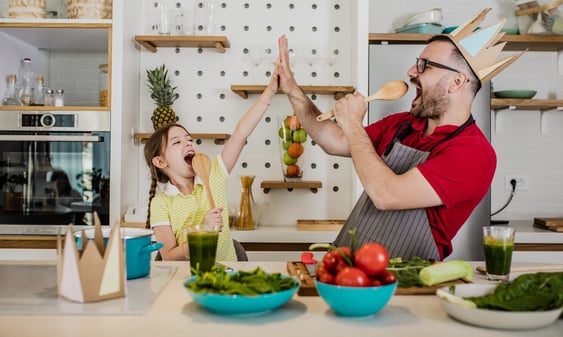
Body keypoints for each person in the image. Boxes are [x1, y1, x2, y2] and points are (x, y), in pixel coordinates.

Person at [274, 9, 523, 260]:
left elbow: (386, 194)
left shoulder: (473, 153)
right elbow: (334, 141)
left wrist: (353, 125)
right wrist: (292, 88)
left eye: (424, 66)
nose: (411, 72)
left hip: (405, 280)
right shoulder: (404, 124)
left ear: (457, 82)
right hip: (348, 266)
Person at [144, 62, 280, 262]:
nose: (188, 144)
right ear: (160, 161)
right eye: (177, 142)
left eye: (189, 139)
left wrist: (269, 93)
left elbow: (241, 134)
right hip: (185, 280)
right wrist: (203, 232)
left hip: (227, 276)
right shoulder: (161, 204)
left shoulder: (214, 174)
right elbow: (169, 257)